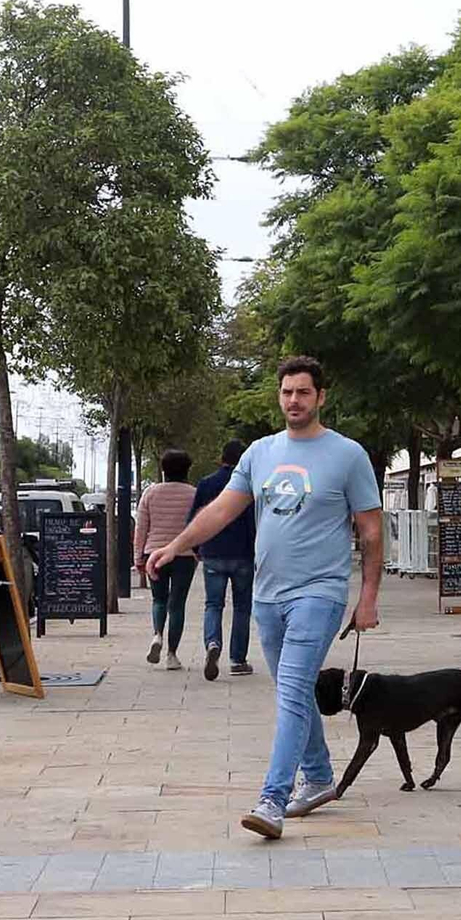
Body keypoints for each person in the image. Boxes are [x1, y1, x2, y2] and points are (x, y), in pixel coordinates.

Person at [146, 356, 383, 840]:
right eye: (287, 392)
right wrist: (177, 545)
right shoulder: (260, 453)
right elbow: (222, 511)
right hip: (267, 595)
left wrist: (368, 597)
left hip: (320, 591)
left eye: (303, 392)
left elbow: (372, 531)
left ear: (321, 397)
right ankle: (318, 778)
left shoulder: (348, 455)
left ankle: (272, 800)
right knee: (292, 692)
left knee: (293, 690)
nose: (293, 400)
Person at [189, 439, 256, 681]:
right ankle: (238, 660)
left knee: (213, 604)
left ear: (222, 458)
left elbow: (195, 517)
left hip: (213, 552)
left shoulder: (207, 483)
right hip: (242, 554)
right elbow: (254, 522)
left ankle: (212, 642)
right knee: (242, 608)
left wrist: (196, 546)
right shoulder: (249, 485)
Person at [135, 448, 197, 671]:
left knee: (158, 600)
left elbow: (141, 528)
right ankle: (172, 655)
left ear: (163, 469)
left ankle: (157, 635)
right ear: (187, 469)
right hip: (185, 554)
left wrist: (139, 557)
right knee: (177, 604)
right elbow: (199, 525)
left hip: (154, 553)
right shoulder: (193, 494)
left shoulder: (150, 493)